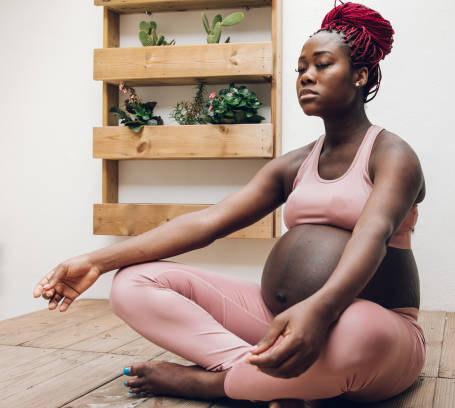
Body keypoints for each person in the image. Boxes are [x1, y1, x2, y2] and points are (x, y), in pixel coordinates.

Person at [33, 2, 426, 407]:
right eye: (301, 68)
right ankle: (267, 373)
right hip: (278, 321)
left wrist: (321, 310)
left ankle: (209, 384)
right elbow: (209, 222)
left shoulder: (393, 155)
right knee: (133, 283)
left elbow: (373, 234)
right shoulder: (295, 163)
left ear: (360, 75)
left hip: (374, 328)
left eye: (323, 64)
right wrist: (98, 263)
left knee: (359, 332)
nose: (307, 75)